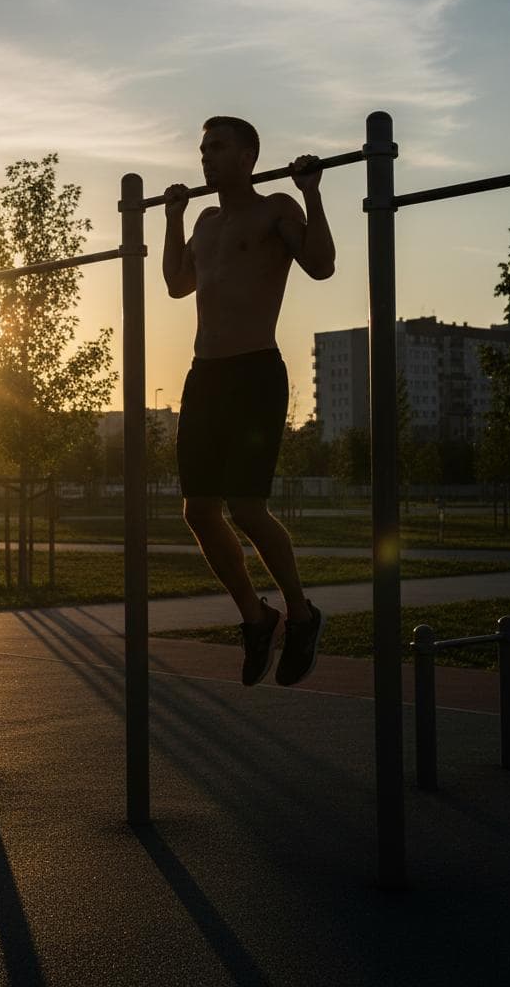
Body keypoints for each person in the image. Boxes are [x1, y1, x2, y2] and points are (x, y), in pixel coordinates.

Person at [163, 116, 336, 687]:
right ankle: (257, 618)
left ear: (248, 156)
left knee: (245, 506)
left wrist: (312, 194)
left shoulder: (275, 208)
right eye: (203, 147)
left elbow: (320, 264)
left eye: (217, 147)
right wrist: (173, 217)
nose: (206, 157)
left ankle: (302, 613)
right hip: (204, 375)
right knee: (198, 509)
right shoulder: (208, 222)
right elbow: (176, 283)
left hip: (255, 371)